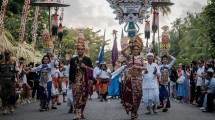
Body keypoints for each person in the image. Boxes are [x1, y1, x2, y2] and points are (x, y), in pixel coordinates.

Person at [121, 35, 146, 119]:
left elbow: (145, 68)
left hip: (138, 79)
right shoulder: (130, 57)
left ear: (139, 50)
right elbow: (122, 52)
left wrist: (138, 67)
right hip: (130, 79)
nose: (135, 50)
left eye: (137, 49)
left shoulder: (142, 59)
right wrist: (129, 45)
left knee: (138, 95)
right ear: (132, 50)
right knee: (131, 96)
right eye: (134, 49)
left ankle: (136, 111)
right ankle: (132, 112)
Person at [69, 42, 93, 120]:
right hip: (75, 81)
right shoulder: (73, 59)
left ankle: (81, 112)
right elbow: (71, 71)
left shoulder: (87, 59)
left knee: (83, 98)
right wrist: (70, 82)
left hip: (84, 82)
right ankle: (77, 114)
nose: (79, 51)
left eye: (81, 49)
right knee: (76, 98)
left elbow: (92, 70)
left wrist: (85, 67)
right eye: (78, 49)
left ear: (84, 50)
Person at [0, 50, 19, 115]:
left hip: (11, 80)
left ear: (10, 54)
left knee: (12, 94)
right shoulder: (1, 62)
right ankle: (5, 107)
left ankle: (11, 105)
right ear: (4, 54)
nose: (7, 55)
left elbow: (17, 72)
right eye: (6, 54)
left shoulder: (13, 62)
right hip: (3, 80)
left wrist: (18, 81)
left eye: (8, 54)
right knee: (4, 94)